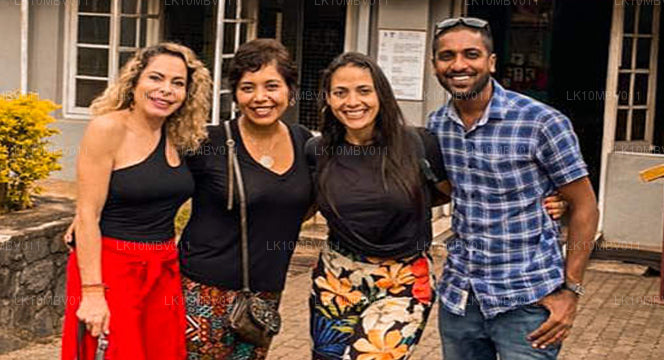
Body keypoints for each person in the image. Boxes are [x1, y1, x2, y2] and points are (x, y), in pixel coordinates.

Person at [427, 17, 600, 360]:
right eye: (447, 56)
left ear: (491, 63)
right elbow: (451, 191)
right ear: (435, 66)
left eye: (471, 54)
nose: (458, 64)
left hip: (528, 301)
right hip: (460, 299)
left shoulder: (541, 122)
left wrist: (572, 290)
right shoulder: (436, 127)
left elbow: (585, 207)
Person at [61, 42, 212, 360]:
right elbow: (87, 215)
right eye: (156, 78)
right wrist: (92, 294)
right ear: (135, 81)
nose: (165, 90)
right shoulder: (108, 129)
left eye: (178, 83)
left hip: (163, 268)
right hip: (112, 270)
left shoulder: (178, 135)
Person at [304, 52, 450, 360]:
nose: (352, 101)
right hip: (336, 278)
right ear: (328, 99)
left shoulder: (418, 144)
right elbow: (298, 205)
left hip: (403, 279)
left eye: (364, 90)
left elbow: (454, 193)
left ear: (381, 94)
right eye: (340, 93)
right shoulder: (318, 151)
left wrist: (547, 201)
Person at [178, 39, 316, 360]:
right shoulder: (208, 142)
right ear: (235, 94)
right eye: (247, 87)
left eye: (272, 86)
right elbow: (158, 186)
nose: (260, 98)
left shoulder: (304, 142)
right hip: (203, 291)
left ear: (290, 90)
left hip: (265, 295)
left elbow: (302, 203)